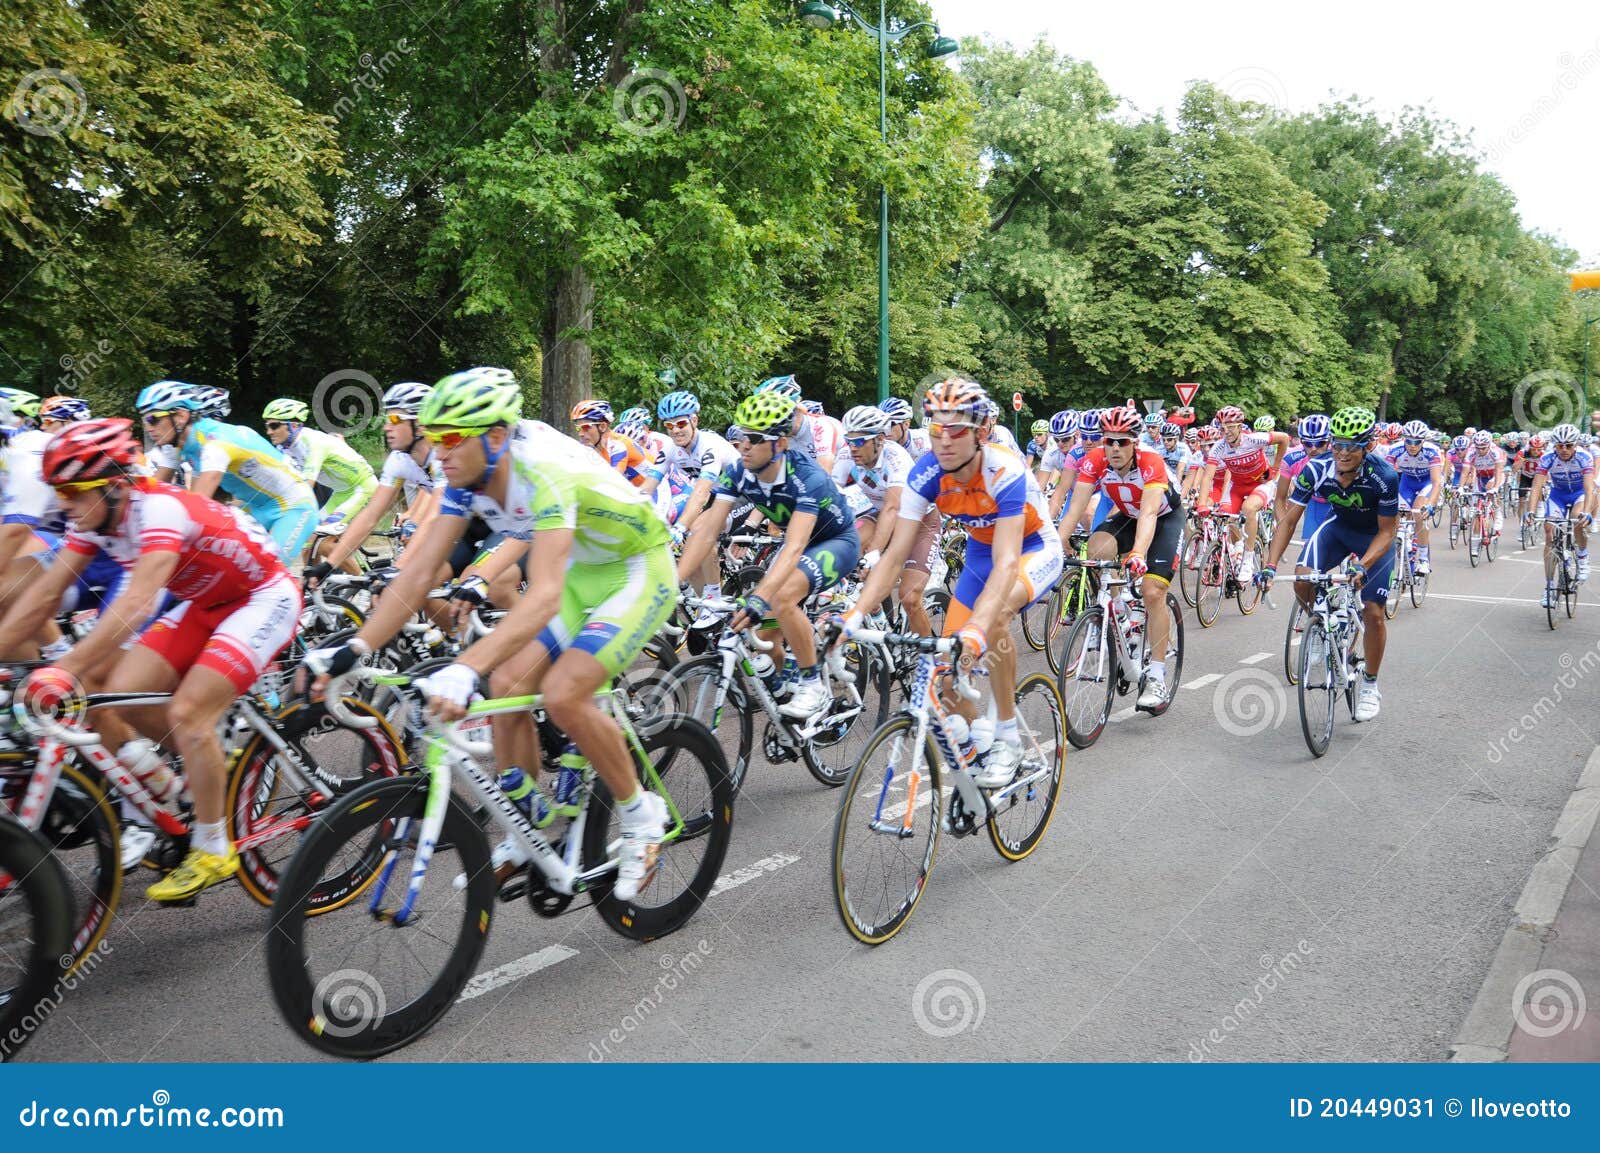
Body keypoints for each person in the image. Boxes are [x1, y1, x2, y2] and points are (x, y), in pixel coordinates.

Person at [301, 367, 678, 900]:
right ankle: (527, 830)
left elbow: (543, 593)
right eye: (435, 438)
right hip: (582, 573)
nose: (440, 453)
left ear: (496, 436)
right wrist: (353, 648)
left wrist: (462, 667)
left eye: (452, 438)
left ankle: (642, 815)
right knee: (505, 685)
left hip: (635, 568)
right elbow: (418, 574)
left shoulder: (542, 470)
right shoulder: (465, 479)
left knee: (564, 693)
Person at [2, 419, 300, 900]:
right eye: (57, 491)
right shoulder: (96, 520)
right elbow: (44, 595)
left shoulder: (158, 508)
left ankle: (212, 848)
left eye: (72, 492)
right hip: (205, 604)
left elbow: (139, 602)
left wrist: (64, 668)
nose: (63, 503)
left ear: (115, 486)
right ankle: (196, 770)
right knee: (117, 694)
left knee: (188, 713)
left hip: (262, 598)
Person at [845, 379, 1061, 787]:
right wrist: (853, 615)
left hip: (1031, 547)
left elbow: (1007, 562)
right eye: (935, 428)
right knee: (948, 674)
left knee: (993, 620)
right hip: (981, 552)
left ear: (980, 433)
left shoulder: (1004, 470)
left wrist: (977, 628)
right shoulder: (926, 472)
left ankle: (1009, 738)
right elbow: (894, 557)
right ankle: (976, 750)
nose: (943, 439)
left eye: (956, 429)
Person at [674, 391, 861, 719]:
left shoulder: (807, 477)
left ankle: (813, 685)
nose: (744, 445)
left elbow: (795, 546)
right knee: (764, 642)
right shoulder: (738, 471)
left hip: (834, 542)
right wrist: (672, 584)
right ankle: (787, 697)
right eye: (742, 435)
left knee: (781, 596)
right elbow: (706, 532)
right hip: (798, 545)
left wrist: (761, 597)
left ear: (780, 444)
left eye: (755, 438)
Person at [1260, 407, 1398, 723]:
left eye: (1352, 446)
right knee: (1302, 579)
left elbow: (1388, 532)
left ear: (1368, 446)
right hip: (1337, 530)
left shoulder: (1384, 476)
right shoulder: (1316, 469)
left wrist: (1363, 565)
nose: (1343, 452)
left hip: (1374, 538)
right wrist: (1270, 564)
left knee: (1373, 612)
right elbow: (1289, 520)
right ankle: (1321, 625)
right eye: (1338, 444)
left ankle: (1370, 685)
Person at [1055, 407, 1183, 708]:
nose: (1114, 448)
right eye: (1108, 441)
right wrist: (1057, 542)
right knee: (1096, 549)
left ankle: (1156, 676)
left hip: (1164, 519)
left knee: (1152, 591)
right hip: (1127, 516)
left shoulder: (1151, 461)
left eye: (1122, 442)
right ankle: (1120, 610)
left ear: (1134, 443)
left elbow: (1149, 513)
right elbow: (1075, 508)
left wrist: (1138, 553)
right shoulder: (1094, 460)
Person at [136, 381, 319, 563]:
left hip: (295, 505)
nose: (147, 427)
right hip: (257, 507)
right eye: (144, 420)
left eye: (153, 419)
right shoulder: (177, 445)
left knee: (271, 568)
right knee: (218, 560)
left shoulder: (216, 442)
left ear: (181, 416)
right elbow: (152, 492)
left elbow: (196, 505)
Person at [834, 405, 937, 635]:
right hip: (881, 514)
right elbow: (831, 494)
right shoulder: (846, 454)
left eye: (859, 441)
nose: (852, 447)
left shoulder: (896, 458)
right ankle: (876, 613)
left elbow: (892, 508)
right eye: (848, 440)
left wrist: (874, 553)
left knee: (909, 598)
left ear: (880, 439)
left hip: (920, 521)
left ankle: (932, 653)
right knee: (849, 544)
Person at [260, 397, 380, 538]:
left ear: (294, 425)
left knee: (321, 536)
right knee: (308, 539)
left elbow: (306, 487)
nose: (269, 432)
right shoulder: (285, 448)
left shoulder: (313, 442)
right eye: (267, 426)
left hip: (363, 488)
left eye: (274, 426)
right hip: (341, 493)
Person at [1526, 423, 1596, 604]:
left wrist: (1587, 512)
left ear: (1575, 444)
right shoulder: (1547, 458)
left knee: (1577, 518)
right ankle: (1549, 588)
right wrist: (1531, 511)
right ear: (1554, 445)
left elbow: (1589, 488)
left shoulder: (1584, 457)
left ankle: (1582, 556)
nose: (1564, 450)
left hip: (1579, 494)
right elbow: (1536, 486)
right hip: (1558, 495)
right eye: (1560, 446)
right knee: (1549, 532)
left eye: (1569, 445)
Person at [1383, 419, 1444, 575]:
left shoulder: (1432, 451)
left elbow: (1436, 482)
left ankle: (1423, 558)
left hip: (1427, 483)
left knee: (1418, 513)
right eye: (1409, 441)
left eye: (1417, 442)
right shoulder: (1395, 449)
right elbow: (1385, 477)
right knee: (1394, 515)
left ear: (1423, 441)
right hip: (1407, 482)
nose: (1412, 445)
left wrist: (1431, 504)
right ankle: (1403, 543)